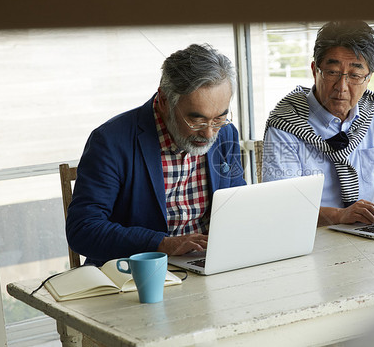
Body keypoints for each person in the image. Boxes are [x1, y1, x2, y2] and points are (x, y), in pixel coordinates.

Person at [66, 44, 246, 266]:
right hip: (133, 275)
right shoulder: (111, 141)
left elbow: (238, 207)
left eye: (219, 118)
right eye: (196, 120)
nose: (209, 133)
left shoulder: (226, 134)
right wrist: (161, 244)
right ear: (164, 101)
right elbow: (83, 230)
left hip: (208, 265)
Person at [262, 21, 374, 227]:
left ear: (368, 78)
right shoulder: (285, 123)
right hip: (308, 236)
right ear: (314, 70)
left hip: (363, 233)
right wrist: (340, 216)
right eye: (332, 72)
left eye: (355, 76)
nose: (342, 87)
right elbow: (280, 205)